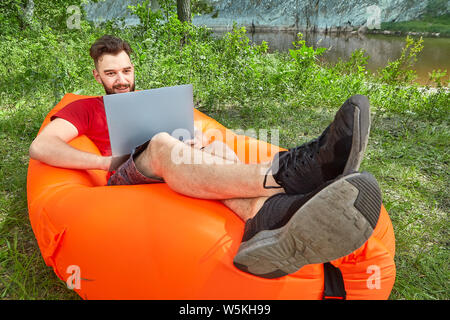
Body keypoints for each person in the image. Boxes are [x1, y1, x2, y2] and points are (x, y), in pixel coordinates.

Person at [29, 35, 382, 279]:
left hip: (164, 161)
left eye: (126, 70)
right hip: (125, 174)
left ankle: (270, 218)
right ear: (97, 75)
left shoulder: (152, 101)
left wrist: (193, 143)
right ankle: (290, 172)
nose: (121, 80)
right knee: (165, 143)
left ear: (133, 68)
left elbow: (185, 138)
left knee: (213, 146)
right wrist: (106, 162)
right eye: (111, 73)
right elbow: (42, 147)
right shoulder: (85, 108)